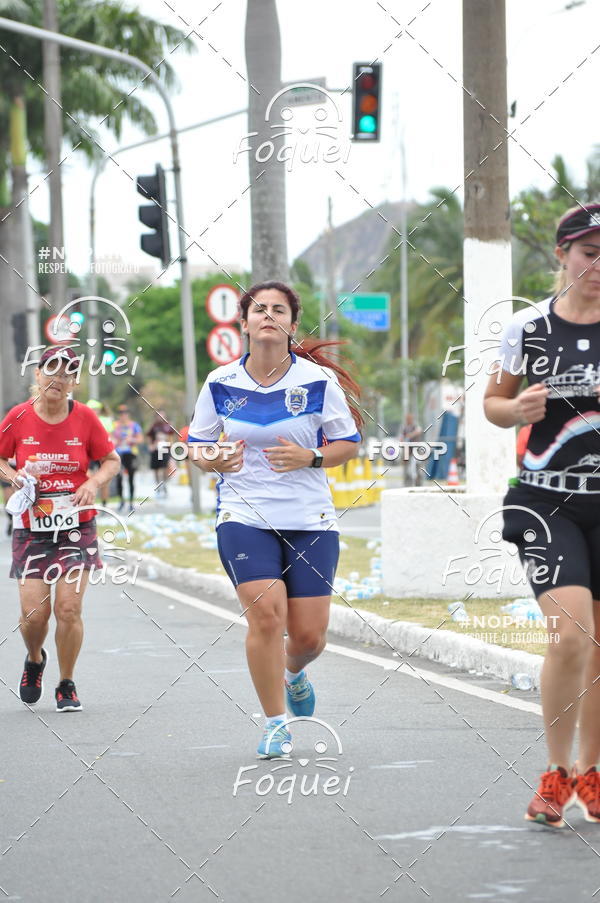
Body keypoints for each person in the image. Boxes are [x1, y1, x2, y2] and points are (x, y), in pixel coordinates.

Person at [188, 281, 362, 758]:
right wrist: (213, 459)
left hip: (309, 517)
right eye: (258, 309)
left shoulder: (316, 382)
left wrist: (311, 457)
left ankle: (293, 673)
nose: (268, 315)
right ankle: (274, 723)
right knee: (266, 616)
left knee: (308, 635)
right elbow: (197, 443)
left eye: (278, 309)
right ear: (243, 322)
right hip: (243, 514)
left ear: (291, 324)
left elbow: (346, 444)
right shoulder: (220, 382)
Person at [484, 203, 600, 827]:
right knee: (571, 635)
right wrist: (518, 408)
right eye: (589, 252)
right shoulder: (526, 330)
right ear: (562, 255)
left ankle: (592, 773)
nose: (598, 266)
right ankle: (556, 775)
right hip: (544, 500)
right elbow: (493, 405)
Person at [0, 347, 120, 711]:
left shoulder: (84, 418)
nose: (59, 378)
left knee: (69, 609)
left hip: (75, 525)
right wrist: (13, 476)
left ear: (74, 382)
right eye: (52, 369)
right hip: (32, 526)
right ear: (38, 374)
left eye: (67, 373)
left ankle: (66, 682)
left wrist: (92, 483)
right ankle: (35, 658)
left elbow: (111, 461)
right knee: (35, 614)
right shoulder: (18, 417)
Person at [111, 404, 142, 512]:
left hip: (131, 453)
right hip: (118, 454)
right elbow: (110, 438)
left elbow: (140, 439)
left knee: (131, 478)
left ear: (128, 414)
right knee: (119, 478)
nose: (123, 415)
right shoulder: (114, 425)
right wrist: (115, 441)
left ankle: (131, 502)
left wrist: (131, 440)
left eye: (125, 413)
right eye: (121, 413)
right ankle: (121, 501)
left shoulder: (134, 425)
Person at [86, 399, 114, 505]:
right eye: (91, 409)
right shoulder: (85, 420)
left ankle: (104, 504)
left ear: (99, 410)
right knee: (88, 477)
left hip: (102, 453)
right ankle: (90, 503)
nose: (93, 411)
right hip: (89, 454)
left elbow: (109, 437)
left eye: (95, 409)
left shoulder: (105, 420)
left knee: (104, 480)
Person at [146, 411, 177, 496]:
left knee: (165, 467)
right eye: (159, 416)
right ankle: (158, 485)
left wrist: (171, 444)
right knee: (156, 469)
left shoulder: (168, 425)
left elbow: (172, 436)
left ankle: (164, 484)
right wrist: (150, 445)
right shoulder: (153, 426)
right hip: (156, 449)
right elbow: (148, 436)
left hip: (165, 448)